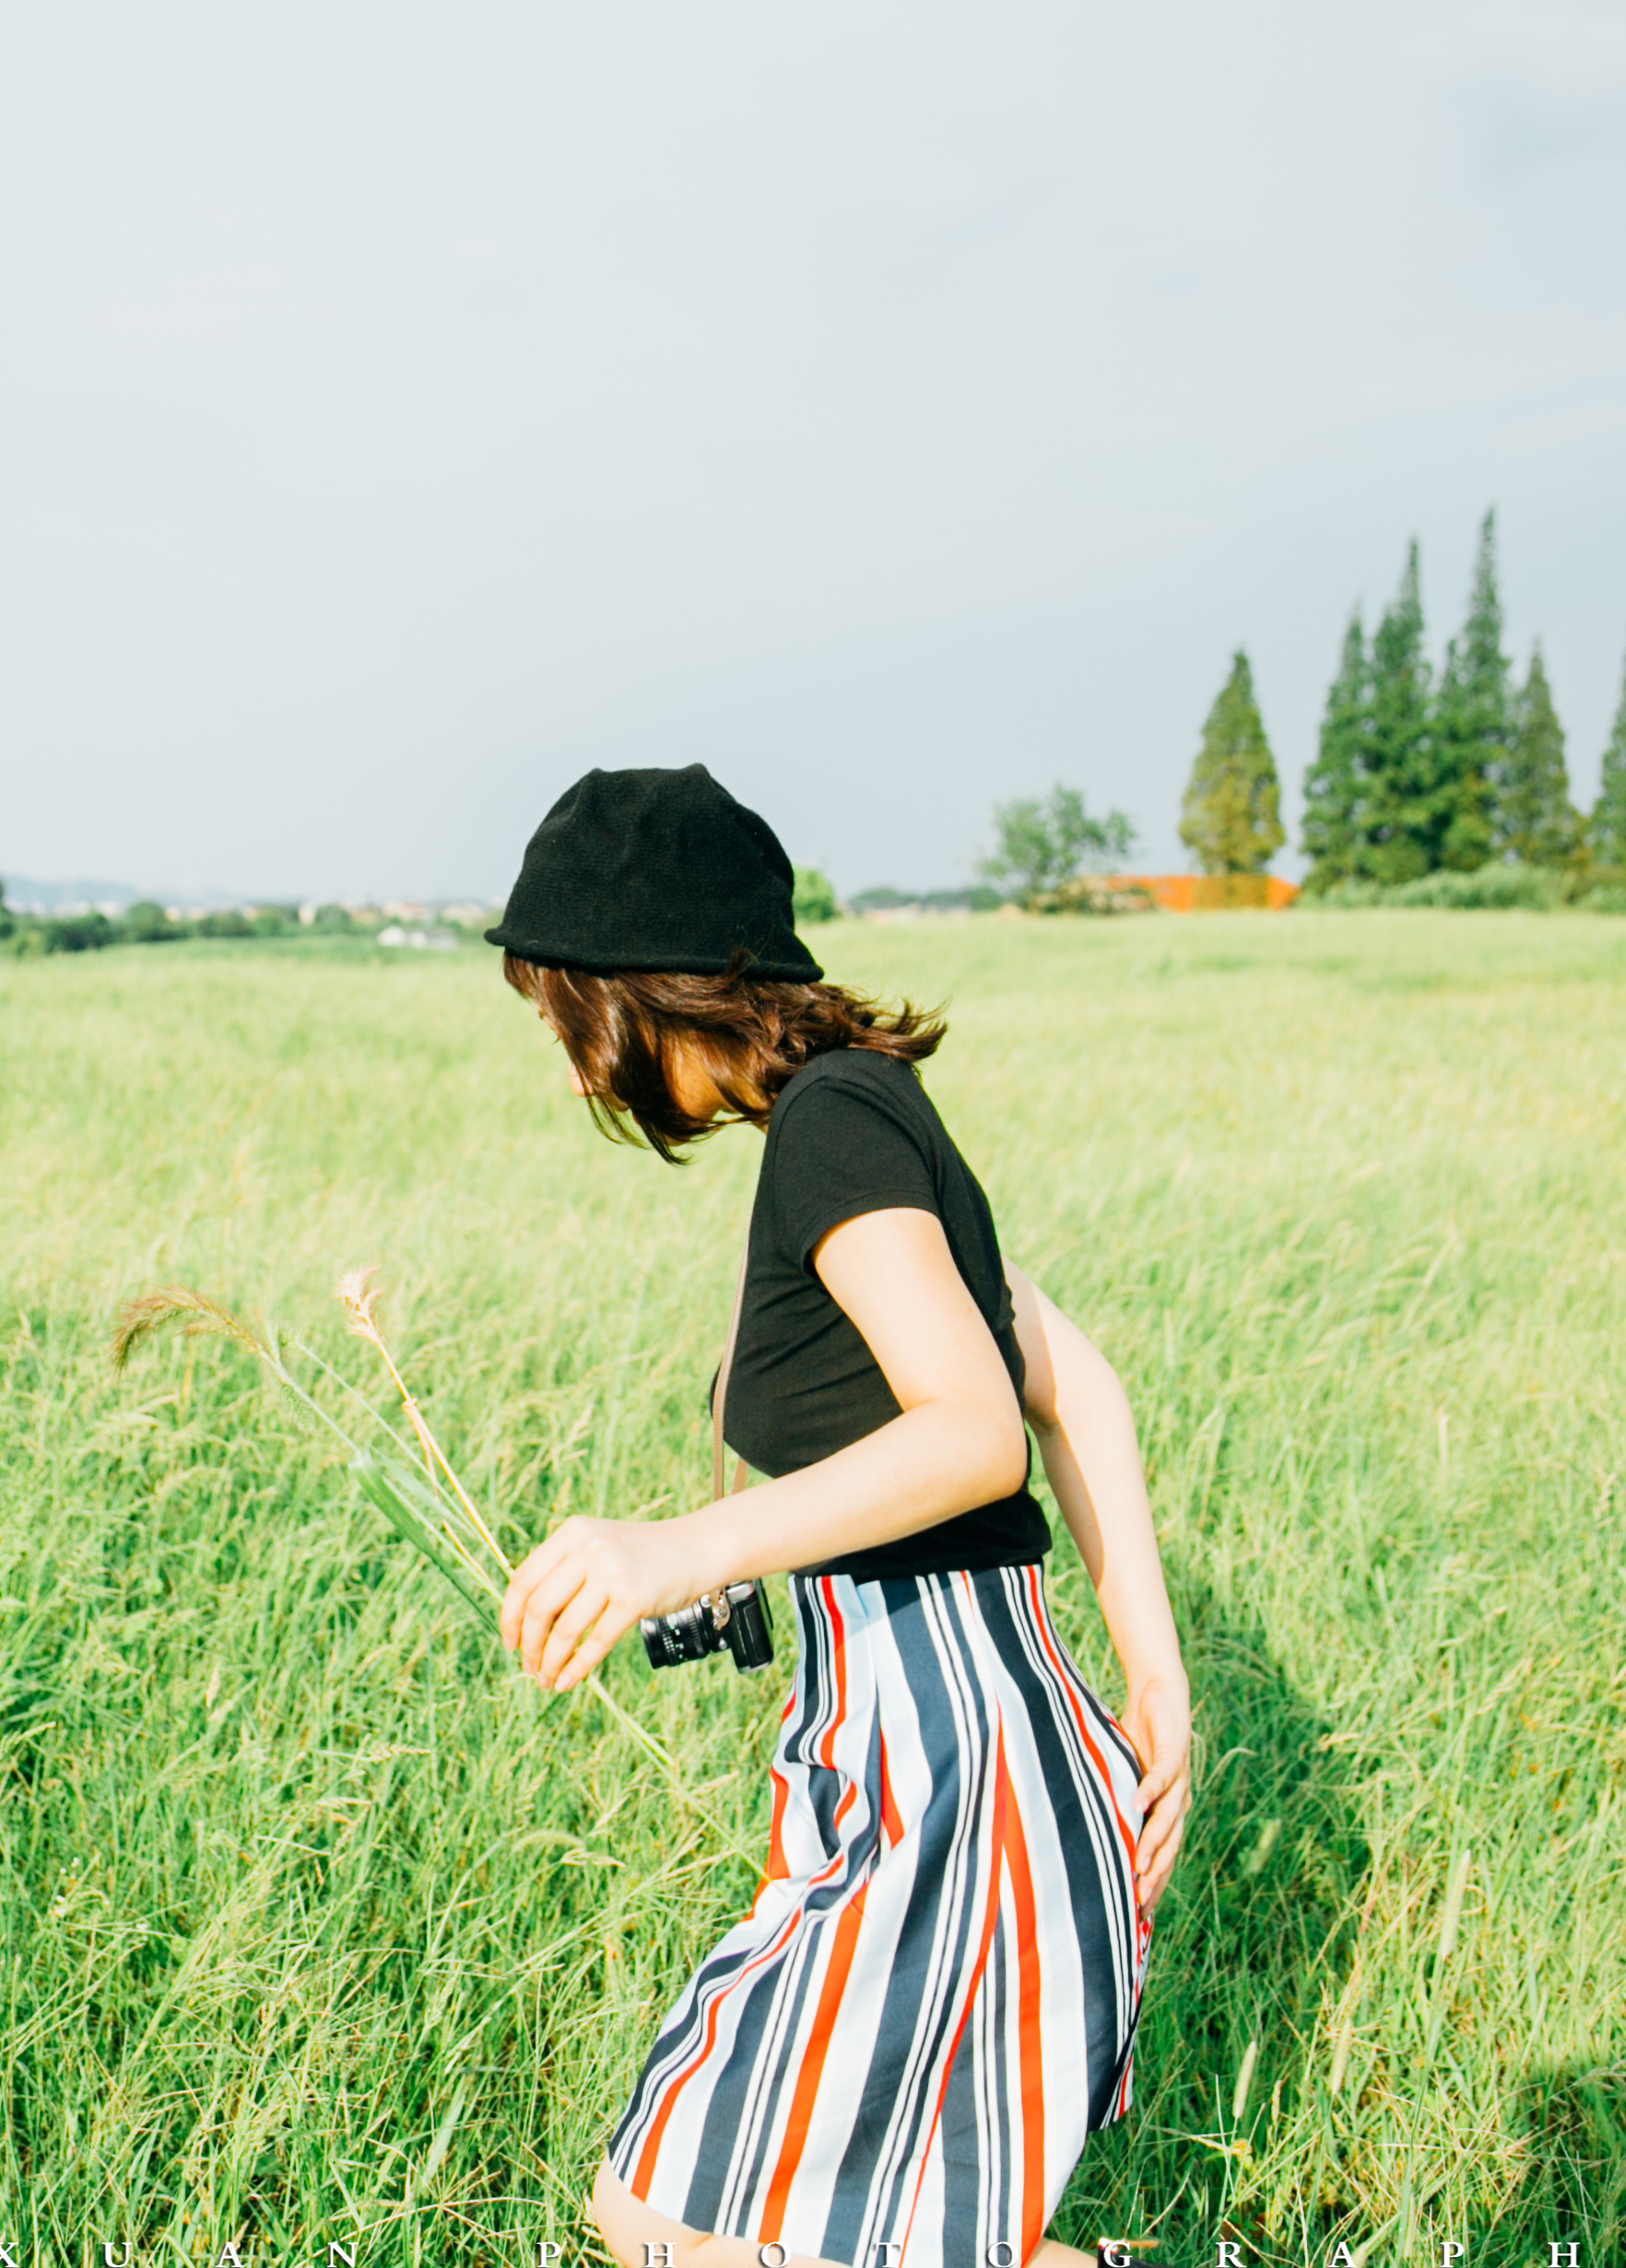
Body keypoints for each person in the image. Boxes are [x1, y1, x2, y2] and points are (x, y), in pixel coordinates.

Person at [485, 765, 1194, 2268]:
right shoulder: (866, 1119)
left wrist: (676, 1545)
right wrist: (1154, 1678)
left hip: (949, 1774)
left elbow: (979, 1431)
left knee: (664, 2209)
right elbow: (1082, 1388)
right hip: (944, 1754)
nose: (573, 1069)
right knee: (898, 2243)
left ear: (651, 986)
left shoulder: (836, 1128)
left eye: (568, 1018)